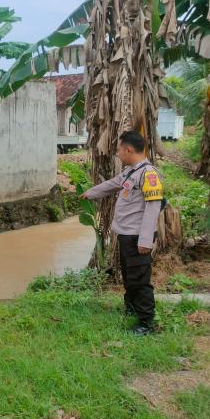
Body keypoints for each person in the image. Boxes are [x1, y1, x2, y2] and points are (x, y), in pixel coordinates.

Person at [80, 131, 164, 335]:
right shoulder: (130, 172)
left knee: (139, 280)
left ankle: (146, 323)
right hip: (126, 235)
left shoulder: (149, 174)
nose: (118, 153)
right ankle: (132, 308)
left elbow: (153, 208)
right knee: (129, 276)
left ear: (128, 149)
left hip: (138, 237)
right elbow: (113, 184)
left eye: (119, 149)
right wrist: (90, 193)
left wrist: (145, 241)